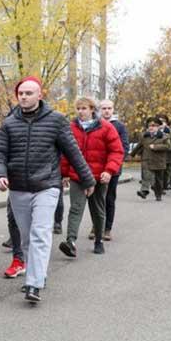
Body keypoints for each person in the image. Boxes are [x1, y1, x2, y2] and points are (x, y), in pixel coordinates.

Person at [0, 76, 94, 304]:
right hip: (18, 187)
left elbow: (73, 151)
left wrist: (88, 180)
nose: (24, 97)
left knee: (40, 233)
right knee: (27, 236)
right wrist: (0, 174)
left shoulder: (56, 120)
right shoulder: (9, 122)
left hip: (47, 185)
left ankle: (34, 284)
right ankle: (37, 274)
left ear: (40, 95)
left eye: (29, 93)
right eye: (21, 93)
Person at [58, 97, 123, 258]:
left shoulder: (106, 127)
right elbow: (65, 153)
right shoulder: (71, 128)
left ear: (92, 109)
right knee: (76, 208)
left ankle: (99, 240)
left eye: (84, 108)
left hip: (98, 176)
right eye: (78, 108)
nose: (81, 112)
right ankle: (71, 242)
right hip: (77, 176)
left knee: (97, 209)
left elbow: (117, 151)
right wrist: (64, 173)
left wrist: (109, 170)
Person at [97, 99, 129, 241]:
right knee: (97, 199)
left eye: (109, 108)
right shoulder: (95, 124)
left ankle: (107, 228)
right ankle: (96, 225)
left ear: (113, 109)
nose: (107, 111)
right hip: (97, 167)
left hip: (113, 169)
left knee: (109, 198)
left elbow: (124, 148)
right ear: (99, 110)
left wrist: (114, 165)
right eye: (104, 108)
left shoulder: (120, 126)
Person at [131, 117, 171, 201]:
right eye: (150, 126)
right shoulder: (144, 136)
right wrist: (132, 154)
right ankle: (144, 191)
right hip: (147, 159)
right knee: (146, 176)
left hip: (159, 161)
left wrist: (156, 147)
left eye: (154, 126)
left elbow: (168, 146)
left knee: (158, 180)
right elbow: (139, 146)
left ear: (158, 127)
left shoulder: (164, 136)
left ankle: (158, 194)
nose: (151, 127)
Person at [3, 206, 26, 278]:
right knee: (13, 217)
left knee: (37, 223)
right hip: (16, 194)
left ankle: (39, 267)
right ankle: (18, 260)